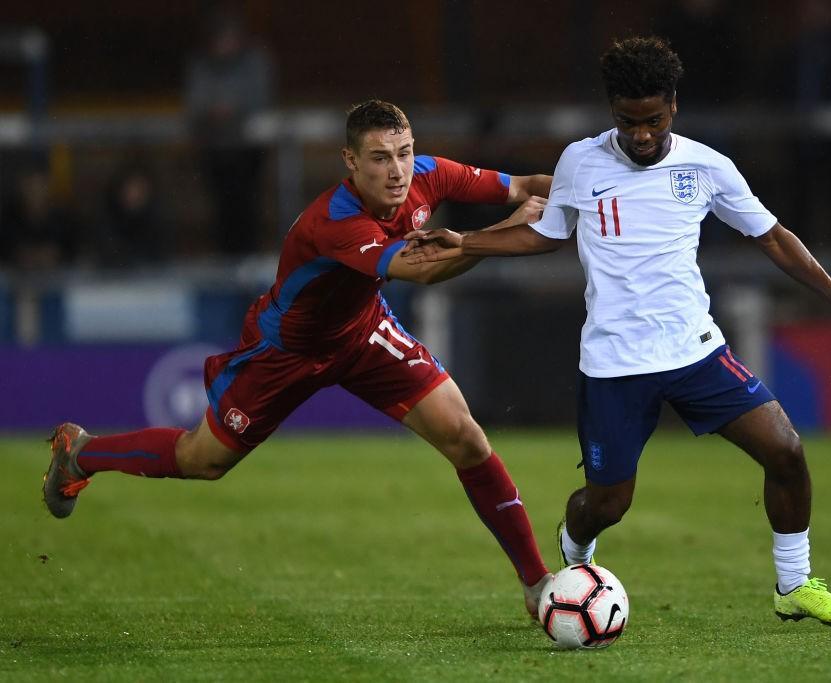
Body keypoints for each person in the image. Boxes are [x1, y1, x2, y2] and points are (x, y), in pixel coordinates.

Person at [407, 37, 831, 626]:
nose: (642, 135)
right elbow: (547, 235)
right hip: (613, 364)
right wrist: (467, 241)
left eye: (653, 121)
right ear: (613, 113)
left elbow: (772, 236)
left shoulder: (707, 167)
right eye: (629, 123)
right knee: (607, 504)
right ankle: (575, 553)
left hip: (695, 351)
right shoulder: (581, 161)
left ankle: (795, 585)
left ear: (673, 108)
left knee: (785, 450)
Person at [43, 99, 554, 617]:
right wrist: (505, 234)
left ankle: (538, 585)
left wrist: (603, 189)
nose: (396, 170)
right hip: (285, 352)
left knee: (466, 437)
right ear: (350, 163)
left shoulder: (428, 174)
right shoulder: (334, 221)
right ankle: (82, 452)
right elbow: (421, 268)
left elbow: (525, 185)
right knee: (203, 460)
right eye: (379, 158)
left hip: (362, 331)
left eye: (403, 153)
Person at [184, 8, 274, 255]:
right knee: (222, 206)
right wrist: (213, 112)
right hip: (215, 148)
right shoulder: (201, 65)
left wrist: (235, 111)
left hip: (248, 150)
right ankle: (226, 256)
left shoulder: (255, 61)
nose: (225, 45)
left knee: (247, 204)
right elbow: (196, 104)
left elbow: (260, 100)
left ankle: (249, 255)